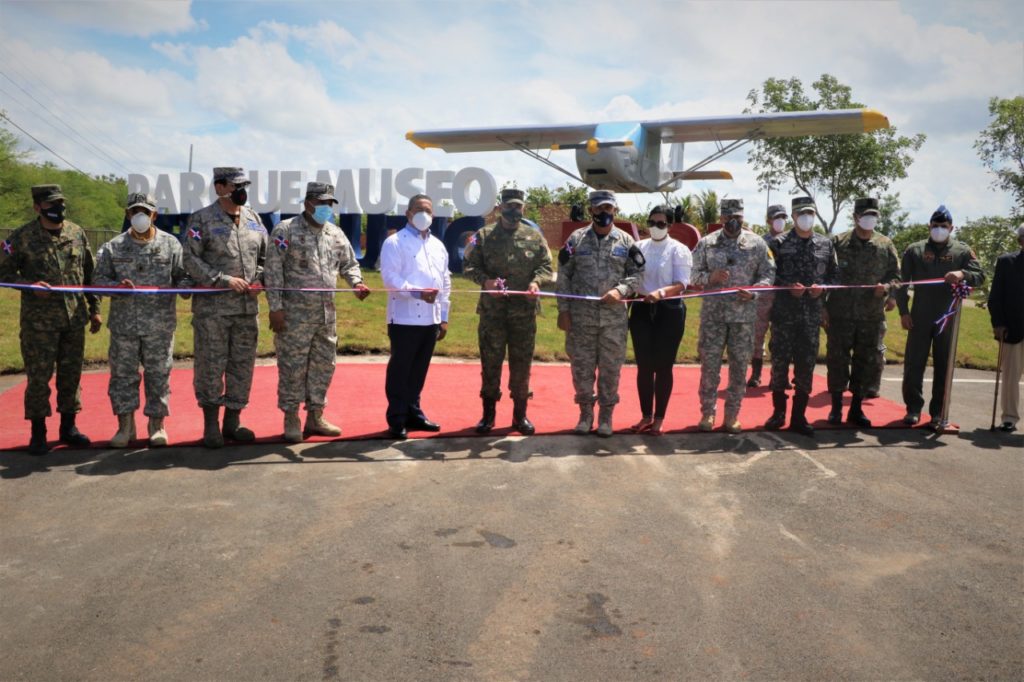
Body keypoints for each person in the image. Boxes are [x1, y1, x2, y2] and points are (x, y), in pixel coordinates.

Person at [0, 184, 103, 454]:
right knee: (38, 378)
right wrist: (29, 285)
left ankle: (68, 428)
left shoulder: (76, 232)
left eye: (61, 203)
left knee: (71, 376)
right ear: (37, 207)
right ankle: (38, 433)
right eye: (51, 204)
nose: (59, 208)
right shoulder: (21, 237)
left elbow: (89, 274)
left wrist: (94, 308)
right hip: (39, 324)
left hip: (73, 319)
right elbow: (3, 273)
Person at [265, 182, 370, 443]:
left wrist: (356, 283)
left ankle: (315, 415)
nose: (326, 208)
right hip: (294, 316)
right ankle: (291, 416)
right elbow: (273, 271)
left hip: (326, 315)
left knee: (324, 366)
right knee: (293, 367)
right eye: (321, 203)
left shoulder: (335, 232)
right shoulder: (286, 230)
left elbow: (348, 263)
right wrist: (275, 308)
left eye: (329, 204)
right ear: (307, 203)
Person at [93, 192, 190, 448]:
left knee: (158, 376)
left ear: (154, 215)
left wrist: (186, 287)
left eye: (145, 212)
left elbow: (183, 276)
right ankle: (125, 427)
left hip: (159, 326)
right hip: (124, 326)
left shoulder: (171, 244)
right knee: (123, 376)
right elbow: (98, 280)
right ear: (127, 214)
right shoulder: (114, 246)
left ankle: (156, 425)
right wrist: (116, 287)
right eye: (135, 211)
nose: (140, 216)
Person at [183, 167, 268, 448]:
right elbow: (190, 259)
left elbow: (265, 258)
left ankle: (233, 421)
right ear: (219, 187)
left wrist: (259, 279)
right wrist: (223, 279)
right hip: (213, 311)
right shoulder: (201, 219)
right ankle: (211, 425)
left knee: (241, 366)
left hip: (246, 310)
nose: (241, 191)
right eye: (235, 185)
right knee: (210, 366)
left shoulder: (254, 219)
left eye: (244, 186)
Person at [462, 188, 553, 435]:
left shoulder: (534, 236)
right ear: (500, 207)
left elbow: (546, 266)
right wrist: (485, 281)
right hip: (492, 313)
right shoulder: (482, 236)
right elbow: (467, 265)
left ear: (524, 208)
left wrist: (537, 282)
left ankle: (520, 415)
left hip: (523, 314)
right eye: (509, 206)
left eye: (518, 206)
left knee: (522, 365)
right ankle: (488, 415)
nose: (514, 210)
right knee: (490, 363)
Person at [557, 189, 643, 437]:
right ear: (590, 210)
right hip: (581, 320)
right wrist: (563, 310)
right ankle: (585, 415)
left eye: (608, 207)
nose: (603, 212)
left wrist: (621, 290)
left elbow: (638, 274)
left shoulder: (626, 241)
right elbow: (564, 275)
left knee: (610, 370)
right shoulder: (576, 239)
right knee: (581, 370)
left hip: (613, 321)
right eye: (599, 208)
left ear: (615, 210)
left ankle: (606, 417)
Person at [895, 205, 985, 429]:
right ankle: (913, 409)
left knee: (944, 366)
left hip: (948, 317)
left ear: (951, 228)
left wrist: (962, 273)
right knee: (914, 364)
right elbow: (901, 283)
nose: (939, 229)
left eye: (943, 226)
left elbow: (980, 275)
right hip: (919, 315)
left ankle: (938, 412)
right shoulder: (915, 250)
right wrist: (903, 312)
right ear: (929, 226)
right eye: (935, 225)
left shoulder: (962, 251)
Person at [691, 198, 775, 433]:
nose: (733, 221)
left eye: (737, 217)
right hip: (713, 318)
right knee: (710, 368)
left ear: (743, 217)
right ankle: (708, 413)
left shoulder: (757, 244)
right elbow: (692, 275)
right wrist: (710, 277)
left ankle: (732, 415)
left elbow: (768, 275)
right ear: (721, 218)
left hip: (743, 318)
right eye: (728, 217)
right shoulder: (706, 243)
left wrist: (755, 292)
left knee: (739, 369)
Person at [763, 197, 838, 436]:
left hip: (811, 317)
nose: (807, 217)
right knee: (780, 364)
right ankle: (778, 413)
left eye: (810, 213)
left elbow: (835, 276)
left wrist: (823, 289)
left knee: (806, 366)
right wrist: (786, 287)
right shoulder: (777, 243)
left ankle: (799, 416)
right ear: (794, 216)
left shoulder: (825, 244)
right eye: (802, 213)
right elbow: (767, 275)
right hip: (784, 316)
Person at [379, 194, 451, 440]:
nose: (424, 214)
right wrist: (417, 292)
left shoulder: (438, 245)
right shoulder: (394, 242)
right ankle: (397, 418)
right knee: (401, 370)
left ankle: (414, 413)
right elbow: (390, 279)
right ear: (408, 213)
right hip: (404, 319)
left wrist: (443, 316)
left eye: (429, 210)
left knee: (419, 370)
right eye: (419, 209)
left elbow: (445, 282)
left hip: (431, 319)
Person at [824, 197, 900, 427]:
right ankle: (836, 408)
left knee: (865, 362)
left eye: (873, 215)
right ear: (855, 217)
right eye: (866, 215)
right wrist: (823, 308)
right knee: (837, 361)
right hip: (840, 313)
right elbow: (825, 275)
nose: (870, 219)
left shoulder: (885, 244)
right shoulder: (838, 242)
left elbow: (895, 276)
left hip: (871, 315)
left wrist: (887, 290)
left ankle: (856, 409)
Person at [627, 204, 692, 435]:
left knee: (663, 366)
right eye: (652, 222)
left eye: (661, 223)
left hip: (669, 310)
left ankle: (659, 418)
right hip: (642, 309)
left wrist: (662, 292)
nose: (656, 227)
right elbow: (631, 278)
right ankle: (646, 415)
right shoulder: (638, 247)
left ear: (670, 225)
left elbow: (682, 283)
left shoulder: (679, 249)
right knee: (644, 366)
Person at [987, 223, 1024, 432]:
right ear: (1020, 240)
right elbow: (996, 297)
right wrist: (998, 323)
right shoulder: (1006, 262)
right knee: (1010, 377)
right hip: (1013, 328)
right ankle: (1009, 417)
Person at [748, 203, 788, 388]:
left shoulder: (791, 241)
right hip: (764, 294)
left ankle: (778, 375)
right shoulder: (760, 242)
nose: (780, 221)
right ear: (768, 220)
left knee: (780, 337)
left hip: (784, 296)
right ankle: (756, 374)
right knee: (758, 335)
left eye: (783, 217)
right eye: (776, 217)